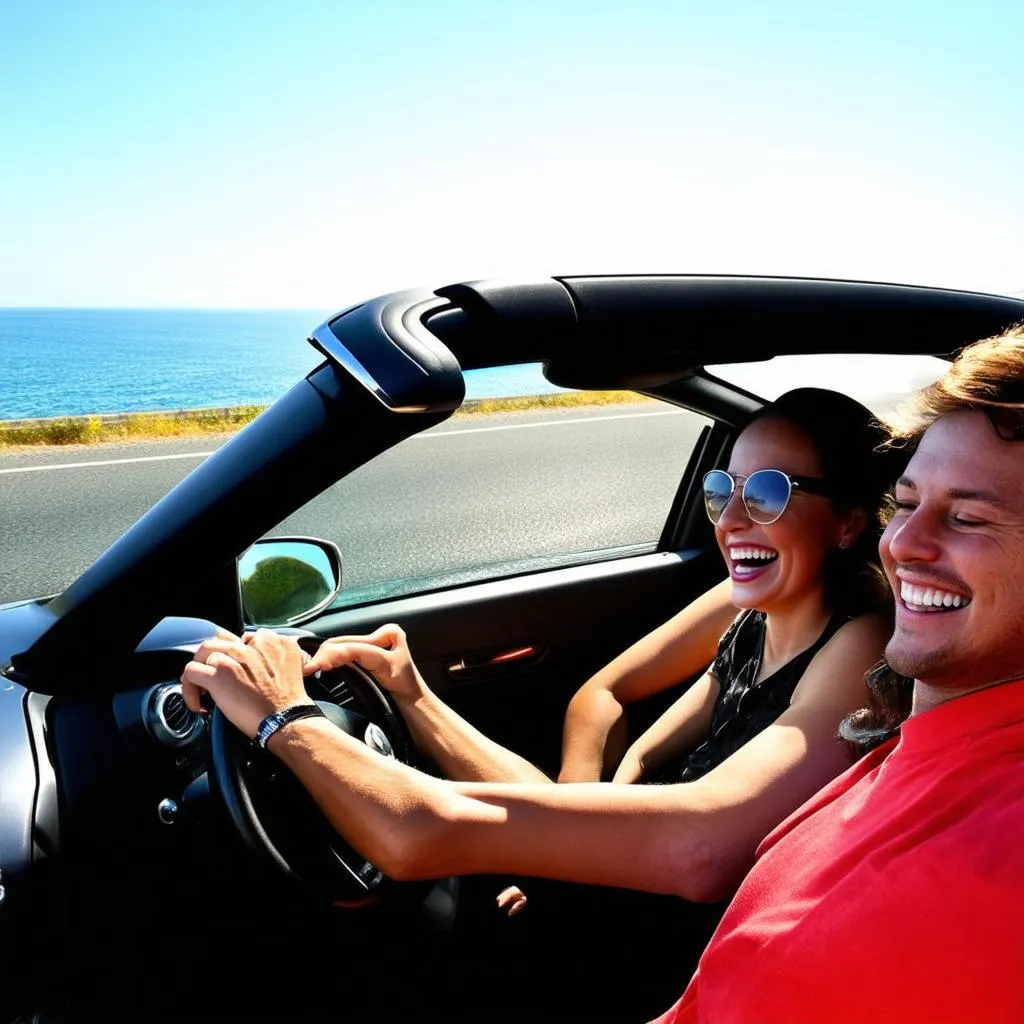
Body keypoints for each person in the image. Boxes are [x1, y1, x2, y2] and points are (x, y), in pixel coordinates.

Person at [178, 387, 903, 1013]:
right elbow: (609, 697)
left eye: (769, 493)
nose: (731, 519)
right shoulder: (753, 602)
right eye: (723, 490)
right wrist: (416, 695)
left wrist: (286, 718)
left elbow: (695, 851)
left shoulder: (860, 645)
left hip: (688, 955)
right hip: (644, 885)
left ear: (847, 522)